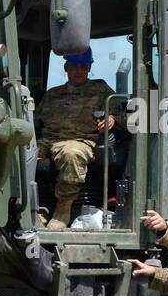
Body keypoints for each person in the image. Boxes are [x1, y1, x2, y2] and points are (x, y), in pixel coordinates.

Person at [36, 47, 115, 230]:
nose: (78, 70)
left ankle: (63, 210)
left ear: (89, 68)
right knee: (20, 155)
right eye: (74, 66)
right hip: (48, 140)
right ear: (66, 67)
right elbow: (35, 121)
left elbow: (125, 115)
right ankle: (33, 208)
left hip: (80, 140)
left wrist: (113, 119)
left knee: (71, 154)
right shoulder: (53, 94)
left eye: (83, 66)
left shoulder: (101, 90)